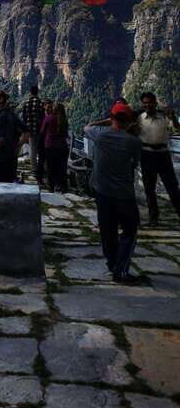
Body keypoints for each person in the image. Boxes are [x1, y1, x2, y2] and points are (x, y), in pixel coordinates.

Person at [84, 101, 142, 284]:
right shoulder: (133, 142)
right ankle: (121, 269)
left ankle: (112, 263)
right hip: (124, 193)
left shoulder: (99, 136)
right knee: (130, 230)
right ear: (128, 121)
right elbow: (135, 163)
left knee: (107, 230)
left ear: (112, 118)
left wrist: (105, 121)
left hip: (102, 192)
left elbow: (87, 127)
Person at [136, 92, 180, 226]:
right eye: (145, 103)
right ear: (142, 104)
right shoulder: (139, 118)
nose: (147, 105)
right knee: (149, 188)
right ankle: (153, 218)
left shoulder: (165, 117)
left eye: (149, 102)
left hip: (163, 154)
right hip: (147, 154)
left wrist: (174, 119)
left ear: (155, 103)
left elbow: (178, 130)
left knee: (172, 186)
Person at [0, 88, 29, 182]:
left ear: (1, 100)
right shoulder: (11, 114)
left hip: (1, 159)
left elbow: (2, 142)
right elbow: (26, 130)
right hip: (11, 158)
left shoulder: (3, 116)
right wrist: (17, 146)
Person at [40, 102, 69, 192]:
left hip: (50, 147)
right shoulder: (64, 120)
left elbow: (42, 132)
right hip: (63, 147)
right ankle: (63, 187)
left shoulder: (48, 118)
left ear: (53, 109)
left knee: (51, 168)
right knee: (62, 168)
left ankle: (51, 187)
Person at [21, 85, 46, 183]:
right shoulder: (41, 103)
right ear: (37, 92)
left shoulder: (26, 103)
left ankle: (34, 169)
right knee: (41, 150)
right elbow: (43, 117)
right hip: (39, 130)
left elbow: (23, 118)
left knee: (32, 150)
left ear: (30, 92)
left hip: (29, 130)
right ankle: (41, 169)